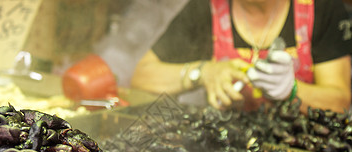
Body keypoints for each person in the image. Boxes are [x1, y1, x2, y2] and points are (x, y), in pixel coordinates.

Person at [131, 0, 352, 113]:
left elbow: (340, 101)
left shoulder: (322, 8)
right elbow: (142, 76)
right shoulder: (205, 8)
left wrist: (292, 91)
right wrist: (202, 72)